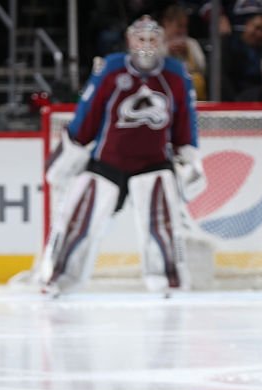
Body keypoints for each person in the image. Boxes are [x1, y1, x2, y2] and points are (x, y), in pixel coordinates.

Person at [36, 16, 203, 295]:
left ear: (161, 42)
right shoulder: (112, 69)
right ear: (129, 40)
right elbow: (88, 114)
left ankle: (169, 281)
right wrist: (72, 146)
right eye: (141, 38)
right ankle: (56, 277)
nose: (146, 45)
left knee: (163, 226)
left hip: (154, 163)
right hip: (107, 161)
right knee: (77, 221)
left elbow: (185, 119)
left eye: (152, 39)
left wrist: (188, 155)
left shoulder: (175, 74)